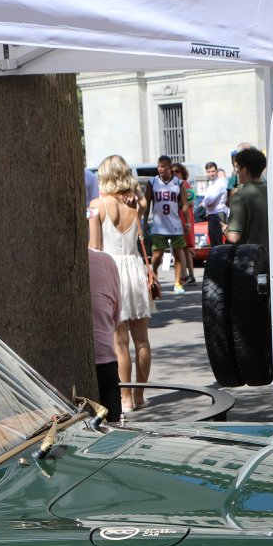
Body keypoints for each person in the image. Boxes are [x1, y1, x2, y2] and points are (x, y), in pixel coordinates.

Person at [88, 154, 156, 412]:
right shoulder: (136, 204)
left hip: (110, 270)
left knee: (119, 341)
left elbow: (94, 247)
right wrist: (134, 191)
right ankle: (140, 396)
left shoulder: (97, 205)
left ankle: (125, 398)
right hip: (135, 269)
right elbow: (143, 201)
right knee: (142, 341)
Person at [87, 244, 123, 421]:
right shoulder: (105, 260)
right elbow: (116, 315)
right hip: (105, 362)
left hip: (65, 368)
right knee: (112, 430)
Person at [148, 154, 189, 293]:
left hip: (175, 224)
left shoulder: (178, 183)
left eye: (163, 167)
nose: (160, 169)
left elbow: (184, 204)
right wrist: (145, 223)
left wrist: (187, 223)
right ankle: (153, 275)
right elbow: (147, 203)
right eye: (158, 167)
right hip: (159, 226)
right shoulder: (152, 182)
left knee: (178, 253)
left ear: (170, 168)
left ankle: (177, 283)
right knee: (157, 255)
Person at [224, 145, 269, 256]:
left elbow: (233, 237)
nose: (237, 172)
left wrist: (224, 229)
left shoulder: (239, 197)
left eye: (238, 168)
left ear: (244, 170)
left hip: (249, 259)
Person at [172, 162, 197, 285]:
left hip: (183, 218)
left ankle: (185, 275)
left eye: (177, 171)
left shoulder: (184, 184)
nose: (174, 174)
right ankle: (190, 276)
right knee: (185, 248)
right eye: (172, 172)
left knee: (180, 247)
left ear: (182, 173)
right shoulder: (175, 185)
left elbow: (191, 202)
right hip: (180, 218)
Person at [199, 161, 229, 247]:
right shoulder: (211, 184)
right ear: (206, 172)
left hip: (218, 215)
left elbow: (210, 200)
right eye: (209, 171)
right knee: (214, 243)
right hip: (213, 215)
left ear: (216, 171)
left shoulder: (219, 183)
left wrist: (203, 203)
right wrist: (205, 202)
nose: (211, 174)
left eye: (213, 171)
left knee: (217, 244)